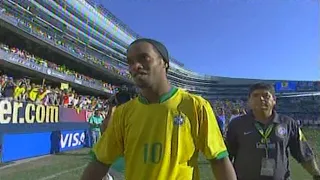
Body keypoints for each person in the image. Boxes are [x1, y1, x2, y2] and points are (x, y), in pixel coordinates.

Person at [81, 38, 236, 180]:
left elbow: (219, 160)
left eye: (144, 58)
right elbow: (100, 162)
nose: (135, 66)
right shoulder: (124, 112)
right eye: (130, 62)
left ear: (164, 63)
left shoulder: (195, 105)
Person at [226, 83, 320, 180]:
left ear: (274, 100)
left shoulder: (288, 123)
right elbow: (226, 157)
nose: (261, 99)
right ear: (249, 101)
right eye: (256, 95)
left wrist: (316, 174)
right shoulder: (236, 124)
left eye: (266, 96)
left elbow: (303, 153)